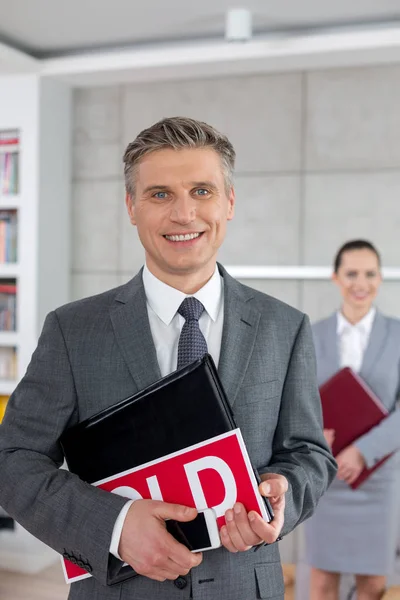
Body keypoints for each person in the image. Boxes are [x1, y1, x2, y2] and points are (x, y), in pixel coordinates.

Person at [0, 116, 336, 600]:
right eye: (160, 194)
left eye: (202, 191)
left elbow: (309, 453)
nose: (184, 214)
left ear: (230, 202)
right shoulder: (73, 331)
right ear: (131, 207)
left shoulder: (285, 327)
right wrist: (115, 525)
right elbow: (13, 460)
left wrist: (284, 491)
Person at [305, 239, 400, 600]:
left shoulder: (398, 334)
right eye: (351, 273)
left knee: (374, 584)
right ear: (335, 278)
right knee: (321, 580)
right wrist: (313, 435)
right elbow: (298, 401)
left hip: (378, 477)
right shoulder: (310, 334)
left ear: (380, 278)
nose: (361, 282)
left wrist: (362, 451)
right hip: (325, 476)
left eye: (370, 273)